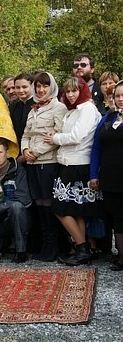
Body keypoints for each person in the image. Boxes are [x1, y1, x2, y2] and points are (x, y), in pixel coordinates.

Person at [44, 76, 101, 266]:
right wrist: (56, 134)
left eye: (74, 91)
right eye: (67, 91)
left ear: (82, 91)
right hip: (68, 163)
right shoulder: (73, 110)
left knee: (60, 209)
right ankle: (81, 249)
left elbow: (76, 136)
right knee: (75, 210)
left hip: (78, 164)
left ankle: (83, 247)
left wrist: (55, 139)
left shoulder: (88, 108)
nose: (70, 95)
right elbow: (66, 131)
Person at [21, 71, 67, 261]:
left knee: (49, 204)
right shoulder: (34, 109)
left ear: (51, 87)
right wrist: (25, 151)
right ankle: (45, 244)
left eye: (44, 86)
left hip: (47, 162)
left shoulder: (59, 108)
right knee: (38, 203)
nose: (41, 90)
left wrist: (36, 152)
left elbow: (56, 136)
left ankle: (54, 245)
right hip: (32, 162)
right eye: (38, 86)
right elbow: (26, 134)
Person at [90, 79, 123, 271]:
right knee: (118, 217)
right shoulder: (108, 119)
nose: (120, 99)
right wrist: (94, 174)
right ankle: (121, 255)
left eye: (122, 95)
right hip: (110, 177)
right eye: (117, 96)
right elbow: (96, 148)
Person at [0, 137, 32, 263]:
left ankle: (21, 251)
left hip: (18, 218)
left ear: (7, 153)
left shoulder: (19, 171)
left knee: (16, 207)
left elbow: (23, 198)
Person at [9, 73, 34, 156]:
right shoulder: (13, 107)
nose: (21, 90)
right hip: (16, 153)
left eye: (24, 87)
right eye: (17, 87)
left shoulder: (39, 105)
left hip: (33, 153)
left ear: (32, 86)